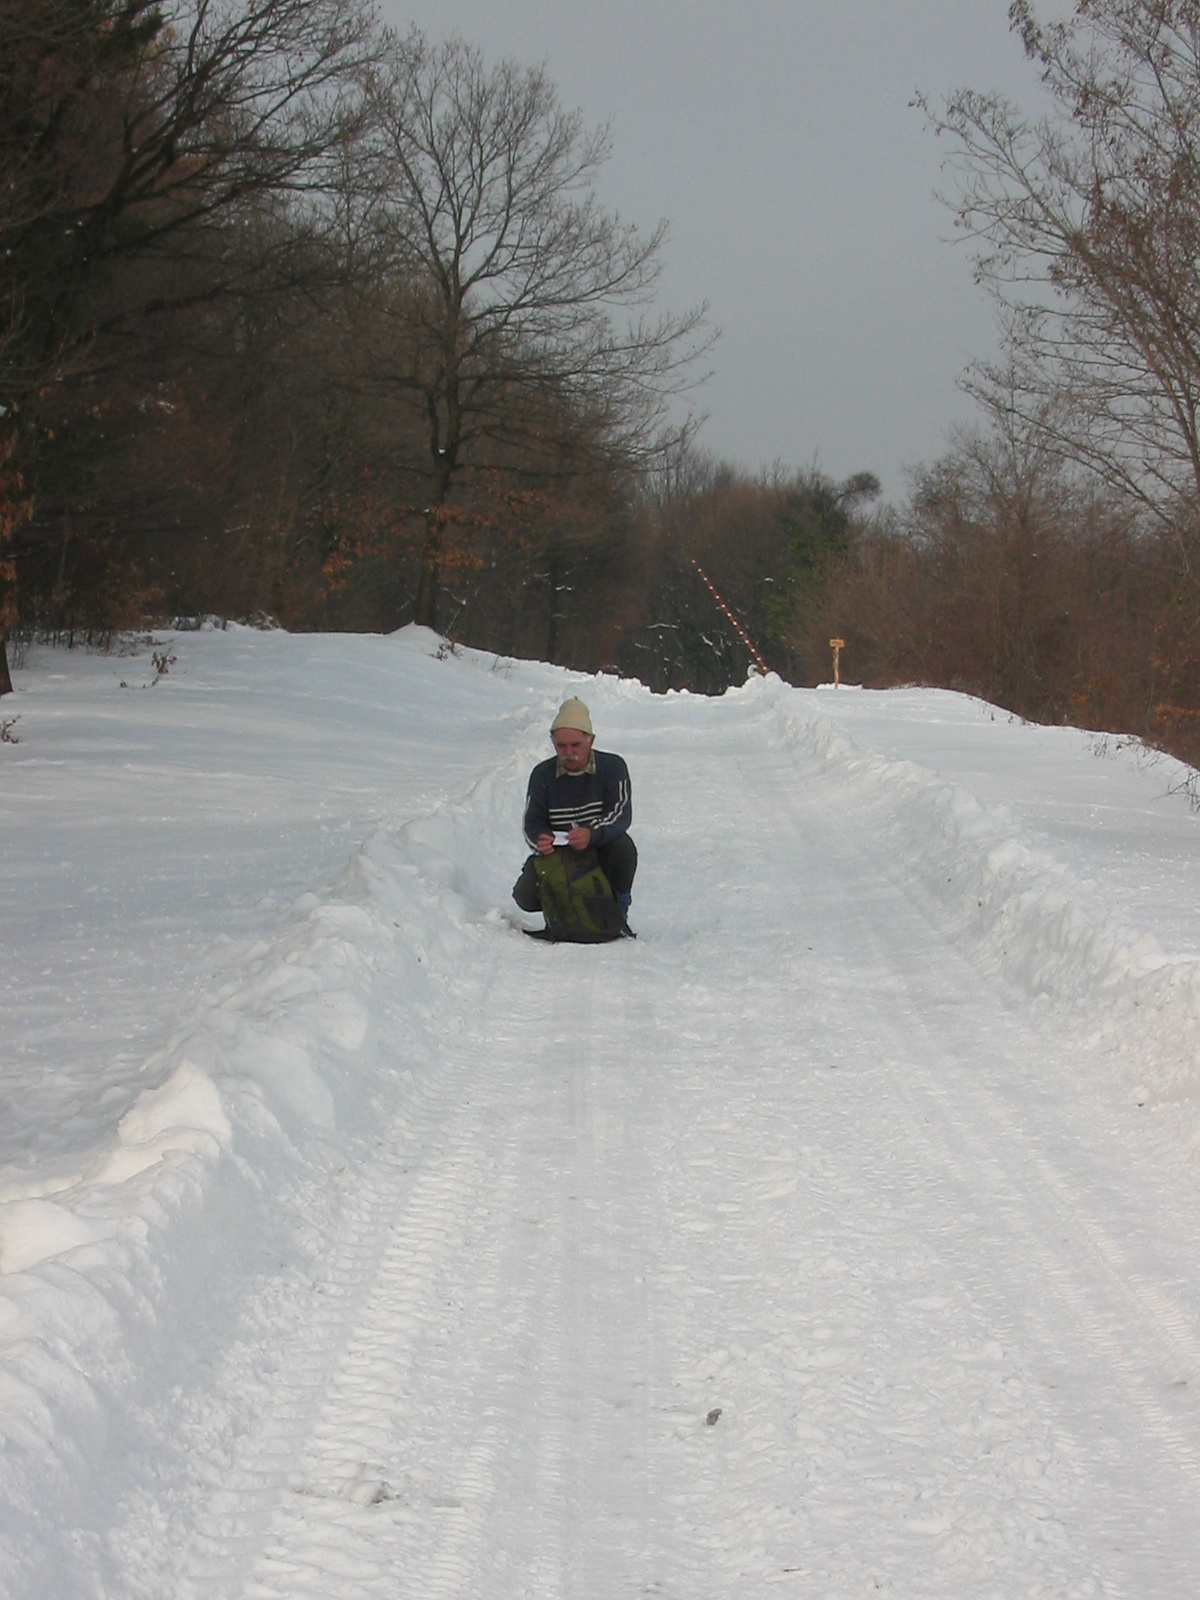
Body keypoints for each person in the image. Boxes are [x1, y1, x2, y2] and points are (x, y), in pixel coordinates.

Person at [512, 697, 637, 926]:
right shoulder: (542, 774)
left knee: (623, 848)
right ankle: (563, 908)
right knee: (523, 896)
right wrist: (541, 840)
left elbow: (620, 814)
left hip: (600, 851)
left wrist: (591, 834)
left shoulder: (612, 767)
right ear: (553, 743)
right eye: (561, 746)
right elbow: (532, 821)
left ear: (591, 741)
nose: (569, 752)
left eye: (576, 745)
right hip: (560, 856)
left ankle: (617, 911)